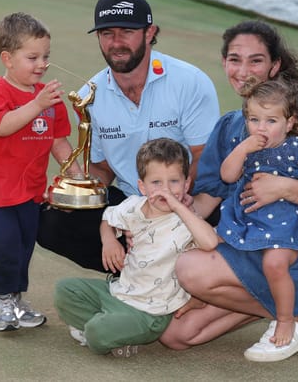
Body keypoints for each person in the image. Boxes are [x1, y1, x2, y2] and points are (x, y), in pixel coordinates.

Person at [159, 20, 298, 362]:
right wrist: (159, 218)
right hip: (249, 246)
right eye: (234, 60)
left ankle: (295, 315)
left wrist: (285, 188)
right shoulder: (229, 126)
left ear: (274, 65)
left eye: (255, 61)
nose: (243, 71)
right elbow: (209, 196)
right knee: (177, 335)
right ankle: (283, 311)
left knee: (191, 270)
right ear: (224, 63)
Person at [37, 0, 220, 272]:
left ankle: (169, 273)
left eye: (127, 31)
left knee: (224, 211)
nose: (116, 42)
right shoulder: (91, 95)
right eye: (107, 33)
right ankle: (137, 275)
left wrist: (169, 200)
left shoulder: (190, 81)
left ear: (149, 32)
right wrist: (73, 191)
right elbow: (102, 168)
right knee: (51, 222)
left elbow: (203, 156)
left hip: (187, 194)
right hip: (130, 198)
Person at [0, 12, 82, 332]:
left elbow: (59, 141)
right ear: (7, 58)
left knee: (21, 249)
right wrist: (37, 104)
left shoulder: (50, 99)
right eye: (32, 57)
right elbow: (3, 126)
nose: (41, 64)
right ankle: (3, 303)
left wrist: (75, 173)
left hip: (30, 192)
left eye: (46, 56)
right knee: (0, 248)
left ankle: (15, 301)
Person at [54, 138, 219, 357]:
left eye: (174, 182)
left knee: (96, 333)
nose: (166, 190)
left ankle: (106, 329)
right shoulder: (133, 205)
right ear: (142, 186)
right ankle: (115, 329)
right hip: (119, 293)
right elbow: (108, 219)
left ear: (187, 184)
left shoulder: (186, 221)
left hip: (151, 312)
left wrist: (180, 207)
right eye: (156, 182)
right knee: (65, 290)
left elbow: (210, 242)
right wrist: (109, 240)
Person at [217, 78, 298, 347]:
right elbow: (227, 175)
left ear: (289, 123)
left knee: (274, 264)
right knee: (210, 245)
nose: (261, 128)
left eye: (271, 121)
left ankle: (287, 318)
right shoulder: (247, 146)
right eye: (254, 119)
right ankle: (194, 300)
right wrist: (242, 148)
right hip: (248, 219)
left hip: (286, 224)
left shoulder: (295, 149)